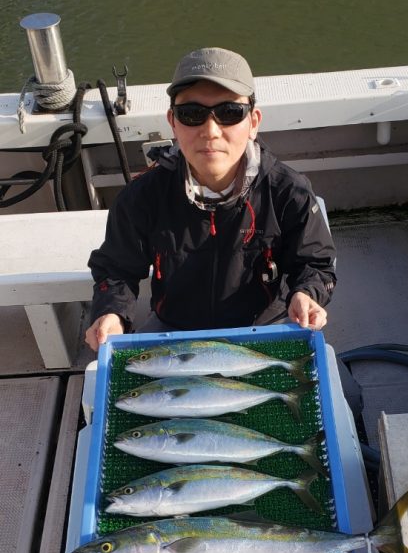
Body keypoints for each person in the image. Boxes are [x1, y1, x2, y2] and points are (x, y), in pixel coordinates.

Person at [85, 47, 336, 352]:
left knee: (343, 396)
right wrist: (111, 313)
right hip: (175, 330)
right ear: (173, 123)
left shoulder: (288, 192)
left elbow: (314, 263)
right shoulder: (141, 197)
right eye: (192, 114)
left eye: (230, 112)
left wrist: (306, 294)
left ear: (253, 122)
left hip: (265, 326)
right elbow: (116, 269)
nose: (210, 130)